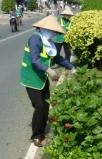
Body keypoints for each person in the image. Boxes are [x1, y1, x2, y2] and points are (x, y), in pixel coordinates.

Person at [20, 15, 76, 147]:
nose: (55, 34)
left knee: (46, 104)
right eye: (54, 31)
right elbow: (34, 60)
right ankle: (36, 136)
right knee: (39, 106)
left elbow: (57, 58)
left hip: (42, 78)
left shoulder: (48, 41)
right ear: (46, 29)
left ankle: (42, 129)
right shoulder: (35, 39)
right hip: (31, 77)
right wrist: (48, 70)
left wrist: (71, 67)